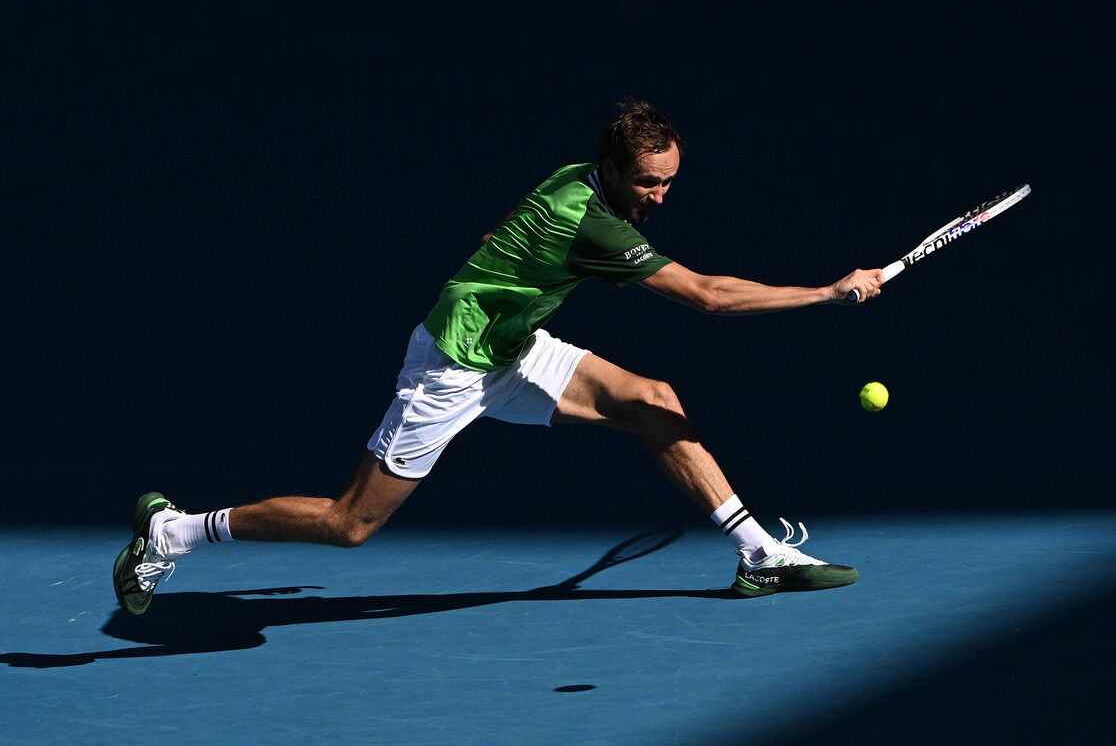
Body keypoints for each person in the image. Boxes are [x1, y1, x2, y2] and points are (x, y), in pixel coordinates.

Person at [113, 98, 885, 615]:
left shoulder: (576, 178)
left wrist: (507, 276)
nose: (660, 197)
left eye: (669, 183)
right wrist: (828, 292)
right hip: (451, 367)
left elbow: (499, 232)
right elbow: (708, 297)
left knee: (655, 402)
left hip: (512, 347)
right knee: (350, 524)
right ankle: (176, 532)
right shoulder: (595, 226)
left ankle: (757, 553)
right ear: (615, 171)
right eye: (649, 184)